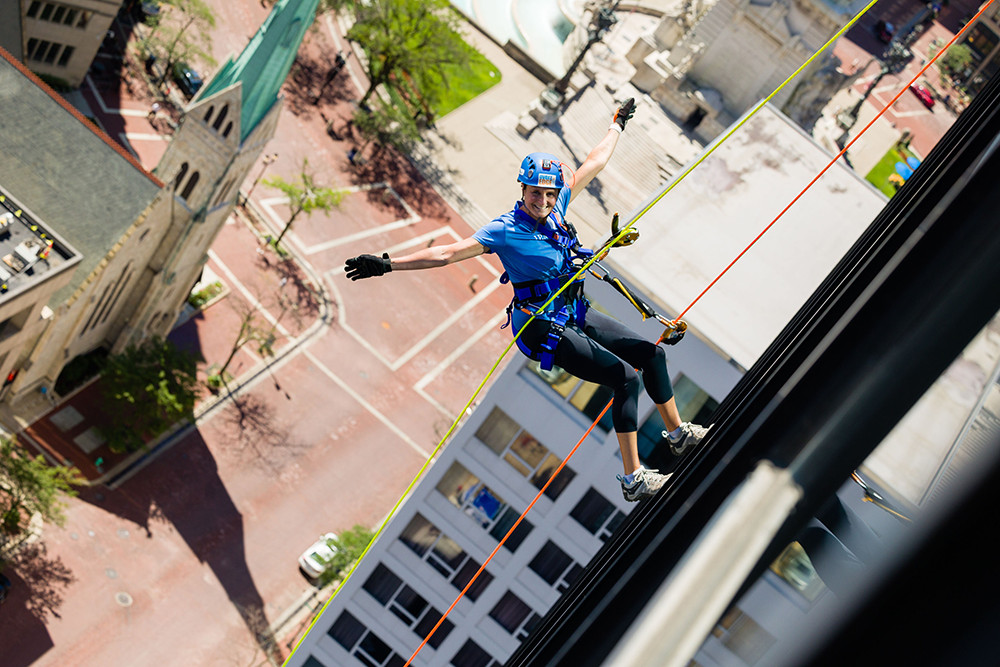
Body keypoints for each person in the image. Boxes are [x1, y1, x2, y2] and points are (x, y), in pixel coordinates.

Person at [345, 99, 710, 502]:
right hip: (541, 327)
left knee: (651, 355)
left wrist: (617, 125)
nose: (544, 201)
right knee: (625, 378)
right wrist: (386, 263)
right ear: (523, 189)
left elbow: (595, 162)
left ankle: (677, 434)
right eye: (537, 193)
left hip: (572, 312)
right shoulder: (504, 230)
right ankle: (633, 478)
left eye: (550, 194)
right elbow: (449, 253)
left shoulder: (557, 209)